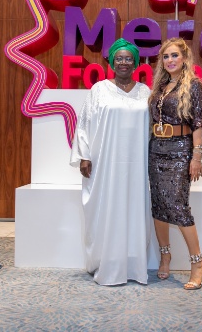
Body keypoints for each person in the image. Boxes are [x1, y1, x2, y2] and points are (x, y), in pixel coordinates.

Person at [70, 38, 151, 285]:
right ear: (112, 62)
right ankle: (105, 262)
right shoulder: (99, 89)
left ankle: (133, 265)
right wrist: (84, 156)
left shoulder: (145, 92)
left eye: (128, 58)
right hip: (105, 164)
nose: (124, 62)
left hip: (137, 166)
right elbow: (83, 123)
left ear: (135, 63)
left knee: (134, 209)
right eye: (119, 58)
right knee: (106, 209)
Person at [148, 37, 202, 290]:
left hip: (180, 150)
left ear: (184, 58)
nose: (170, 60)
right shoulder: (160, 87)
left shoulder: (194, 86)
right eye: (166, 56)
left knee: (178, 206)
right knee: (159, 205)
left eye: (175, 55)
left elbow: (198, 123)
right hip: (156, 150)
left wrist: (197, 156)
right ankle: (165, 256)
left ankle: (198, 262)